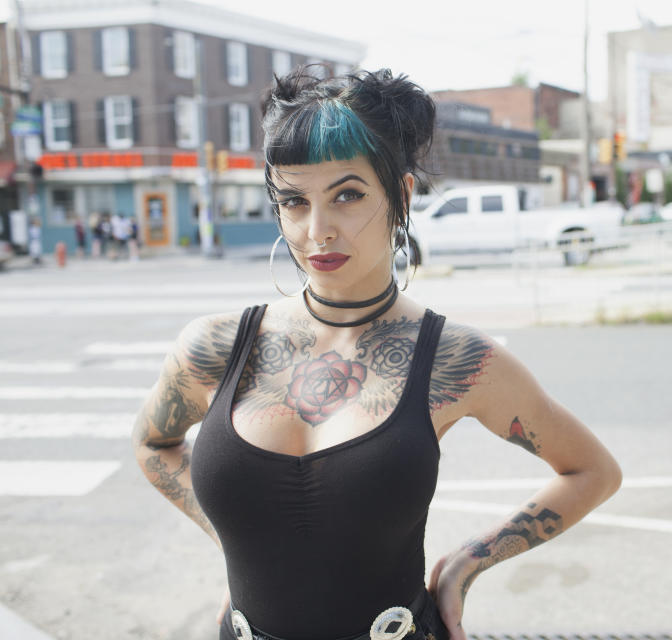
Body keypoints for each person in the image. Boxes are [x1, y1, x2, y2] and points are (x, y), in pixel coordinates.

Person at [132, 68, 621, 640]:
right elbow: (152, 443)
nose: (318, 230)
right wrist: (235, 541)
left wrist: (468, 562)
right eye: (294, 200)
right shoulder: (214, 348)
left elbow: (591, 471)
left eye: (347, 195)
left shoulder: (456, 359)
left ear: (401, 195)